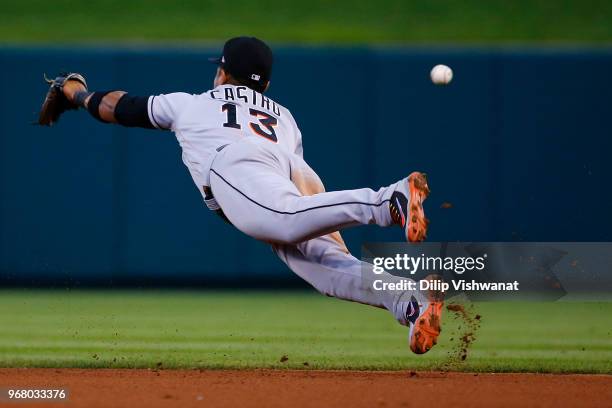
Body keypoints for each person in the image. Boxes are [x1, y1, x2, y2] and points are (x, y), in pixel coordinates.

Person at [42, 36, 442, 354]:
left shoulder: (191, 104)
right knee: (324, 265)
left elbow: (119, 107)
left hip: (235, 165)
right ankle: (410, 303)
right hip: (288, 168)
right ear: (265, 83)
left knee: (286, 220)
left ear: (222, 71)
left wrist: (78, 94)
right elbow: (292, 175)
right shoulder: (284, 116)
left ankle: (389, 200)